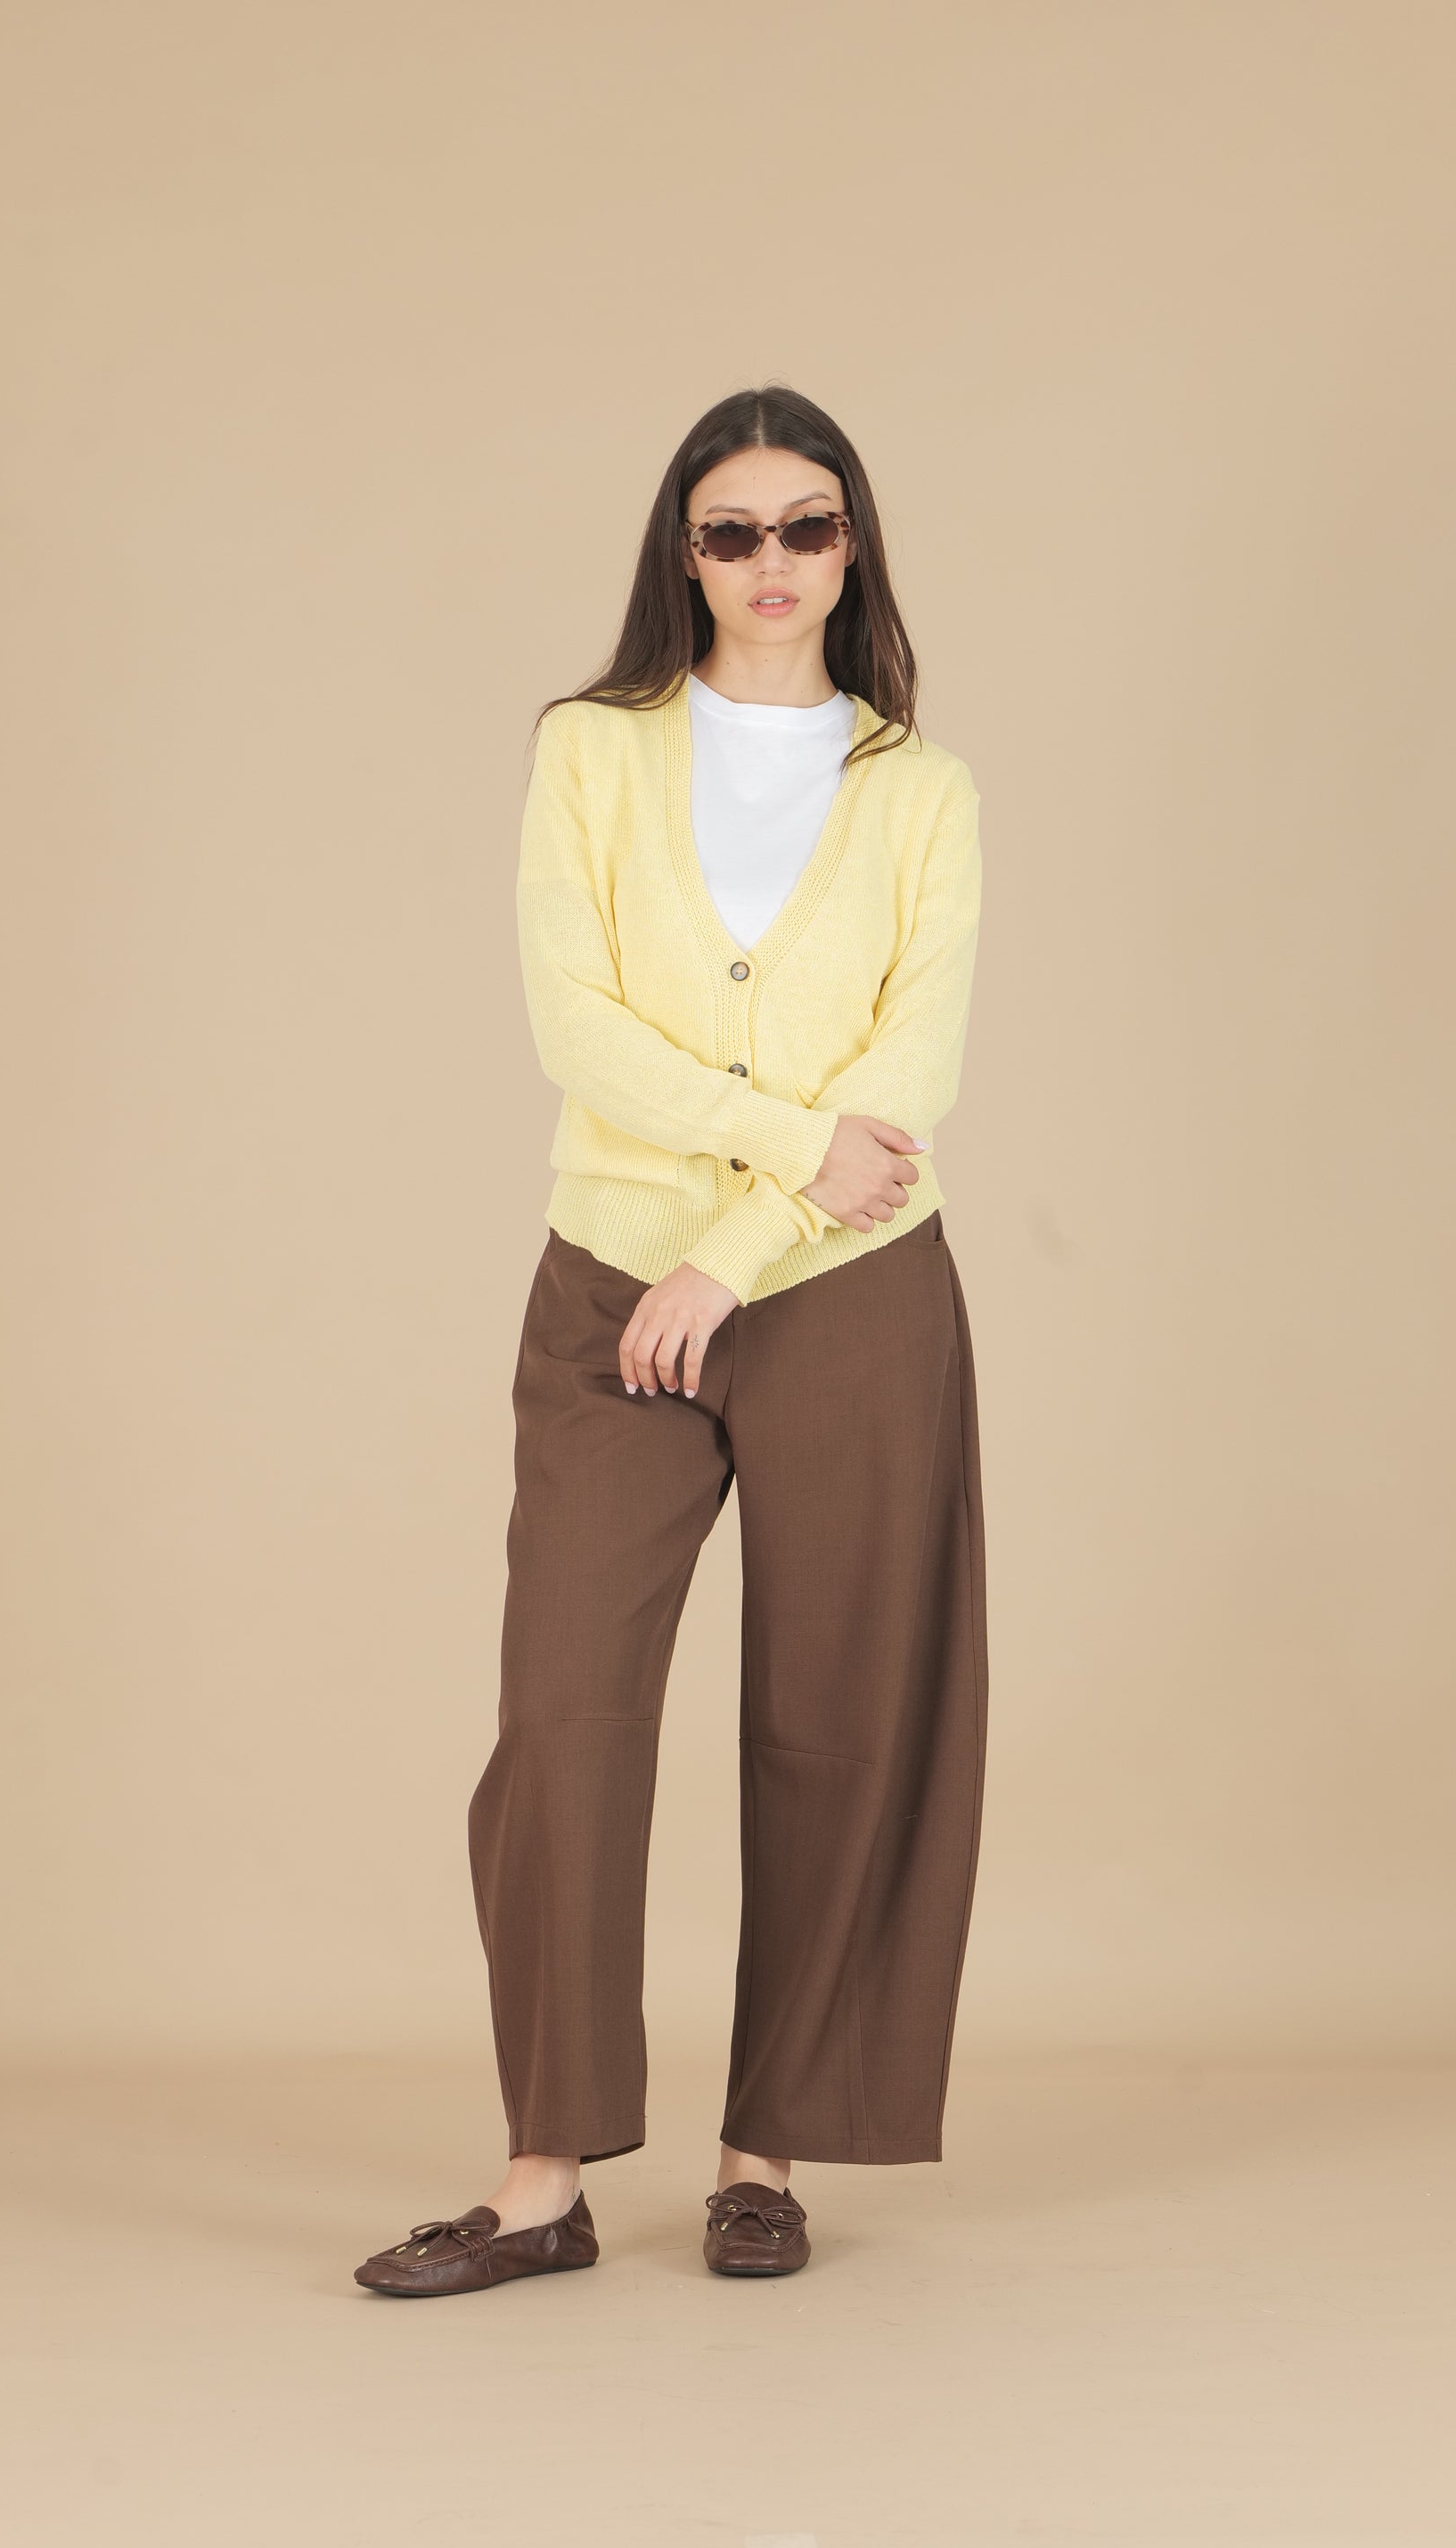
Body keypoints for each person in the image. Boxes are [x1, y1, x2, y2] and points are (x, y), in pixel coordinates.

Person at [354, 384, 988, 2298]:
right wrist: (761, 1173)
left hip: (847, 1291)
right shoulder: (590, 749)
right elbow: (581, 1027)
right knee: (562, 1709)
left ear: (851, 546)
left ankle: (762, 2154)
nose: (772, 561)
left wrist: (739, 1253)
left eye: (808, 526)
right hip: (612, 1278)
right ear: (682, 555)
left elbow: (909, 1079)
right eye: (733, 531)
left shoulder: (922, 789)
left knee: (837, 1714)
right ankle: (540, 2176)